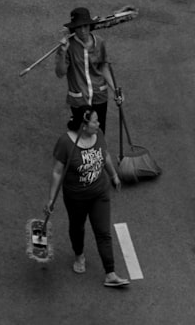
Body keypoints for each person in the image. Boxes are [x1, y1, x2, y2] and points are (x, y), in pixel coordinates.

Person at [46, 105, 129, 287]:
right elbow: (57, 172)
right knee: (77, 228)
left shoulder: (98, 134)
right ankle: (79, 254)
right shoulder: (65, 143)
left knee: (103, 232)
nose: (98, 124)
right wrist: (51, 199)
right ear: (84, 125)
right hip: (76, 198)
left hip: (100, 192)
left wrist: (113, 176)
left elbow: (104, 155)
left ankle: (110, 273)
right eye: (94, 121)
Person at [55, 7, 121, 132]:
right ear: (74, 28)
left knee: (99, 131)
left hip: (99, 96)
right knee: (80, 132)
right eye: (79, 27)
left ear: (90, 26)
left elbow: (103, 67)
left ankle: (100, 152)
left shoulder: (100, 42)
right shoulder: (68, 45)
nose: (83, 30)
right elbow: (60, 73)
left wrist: (115, 90)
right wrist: (62, 53)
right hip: (79, 99)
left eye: (85, 26)